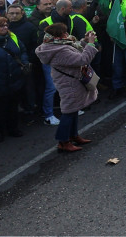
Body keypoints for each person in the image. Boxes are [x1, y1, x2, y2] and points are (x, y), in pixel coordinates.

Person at [34, 23, 99, 153]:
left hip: (71, 81)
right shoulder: (59, 50)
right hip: (69, 83)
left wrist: (84, 41)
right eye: (64, 33)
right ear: (57, 36)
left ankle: (73, 135)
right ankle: (63, 141)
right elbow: (82, 59)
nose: (67, 35)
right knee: (68, 111)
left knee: (74, 109)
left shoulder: (58, 44)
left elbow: (76, 50)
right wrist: (91, 44)